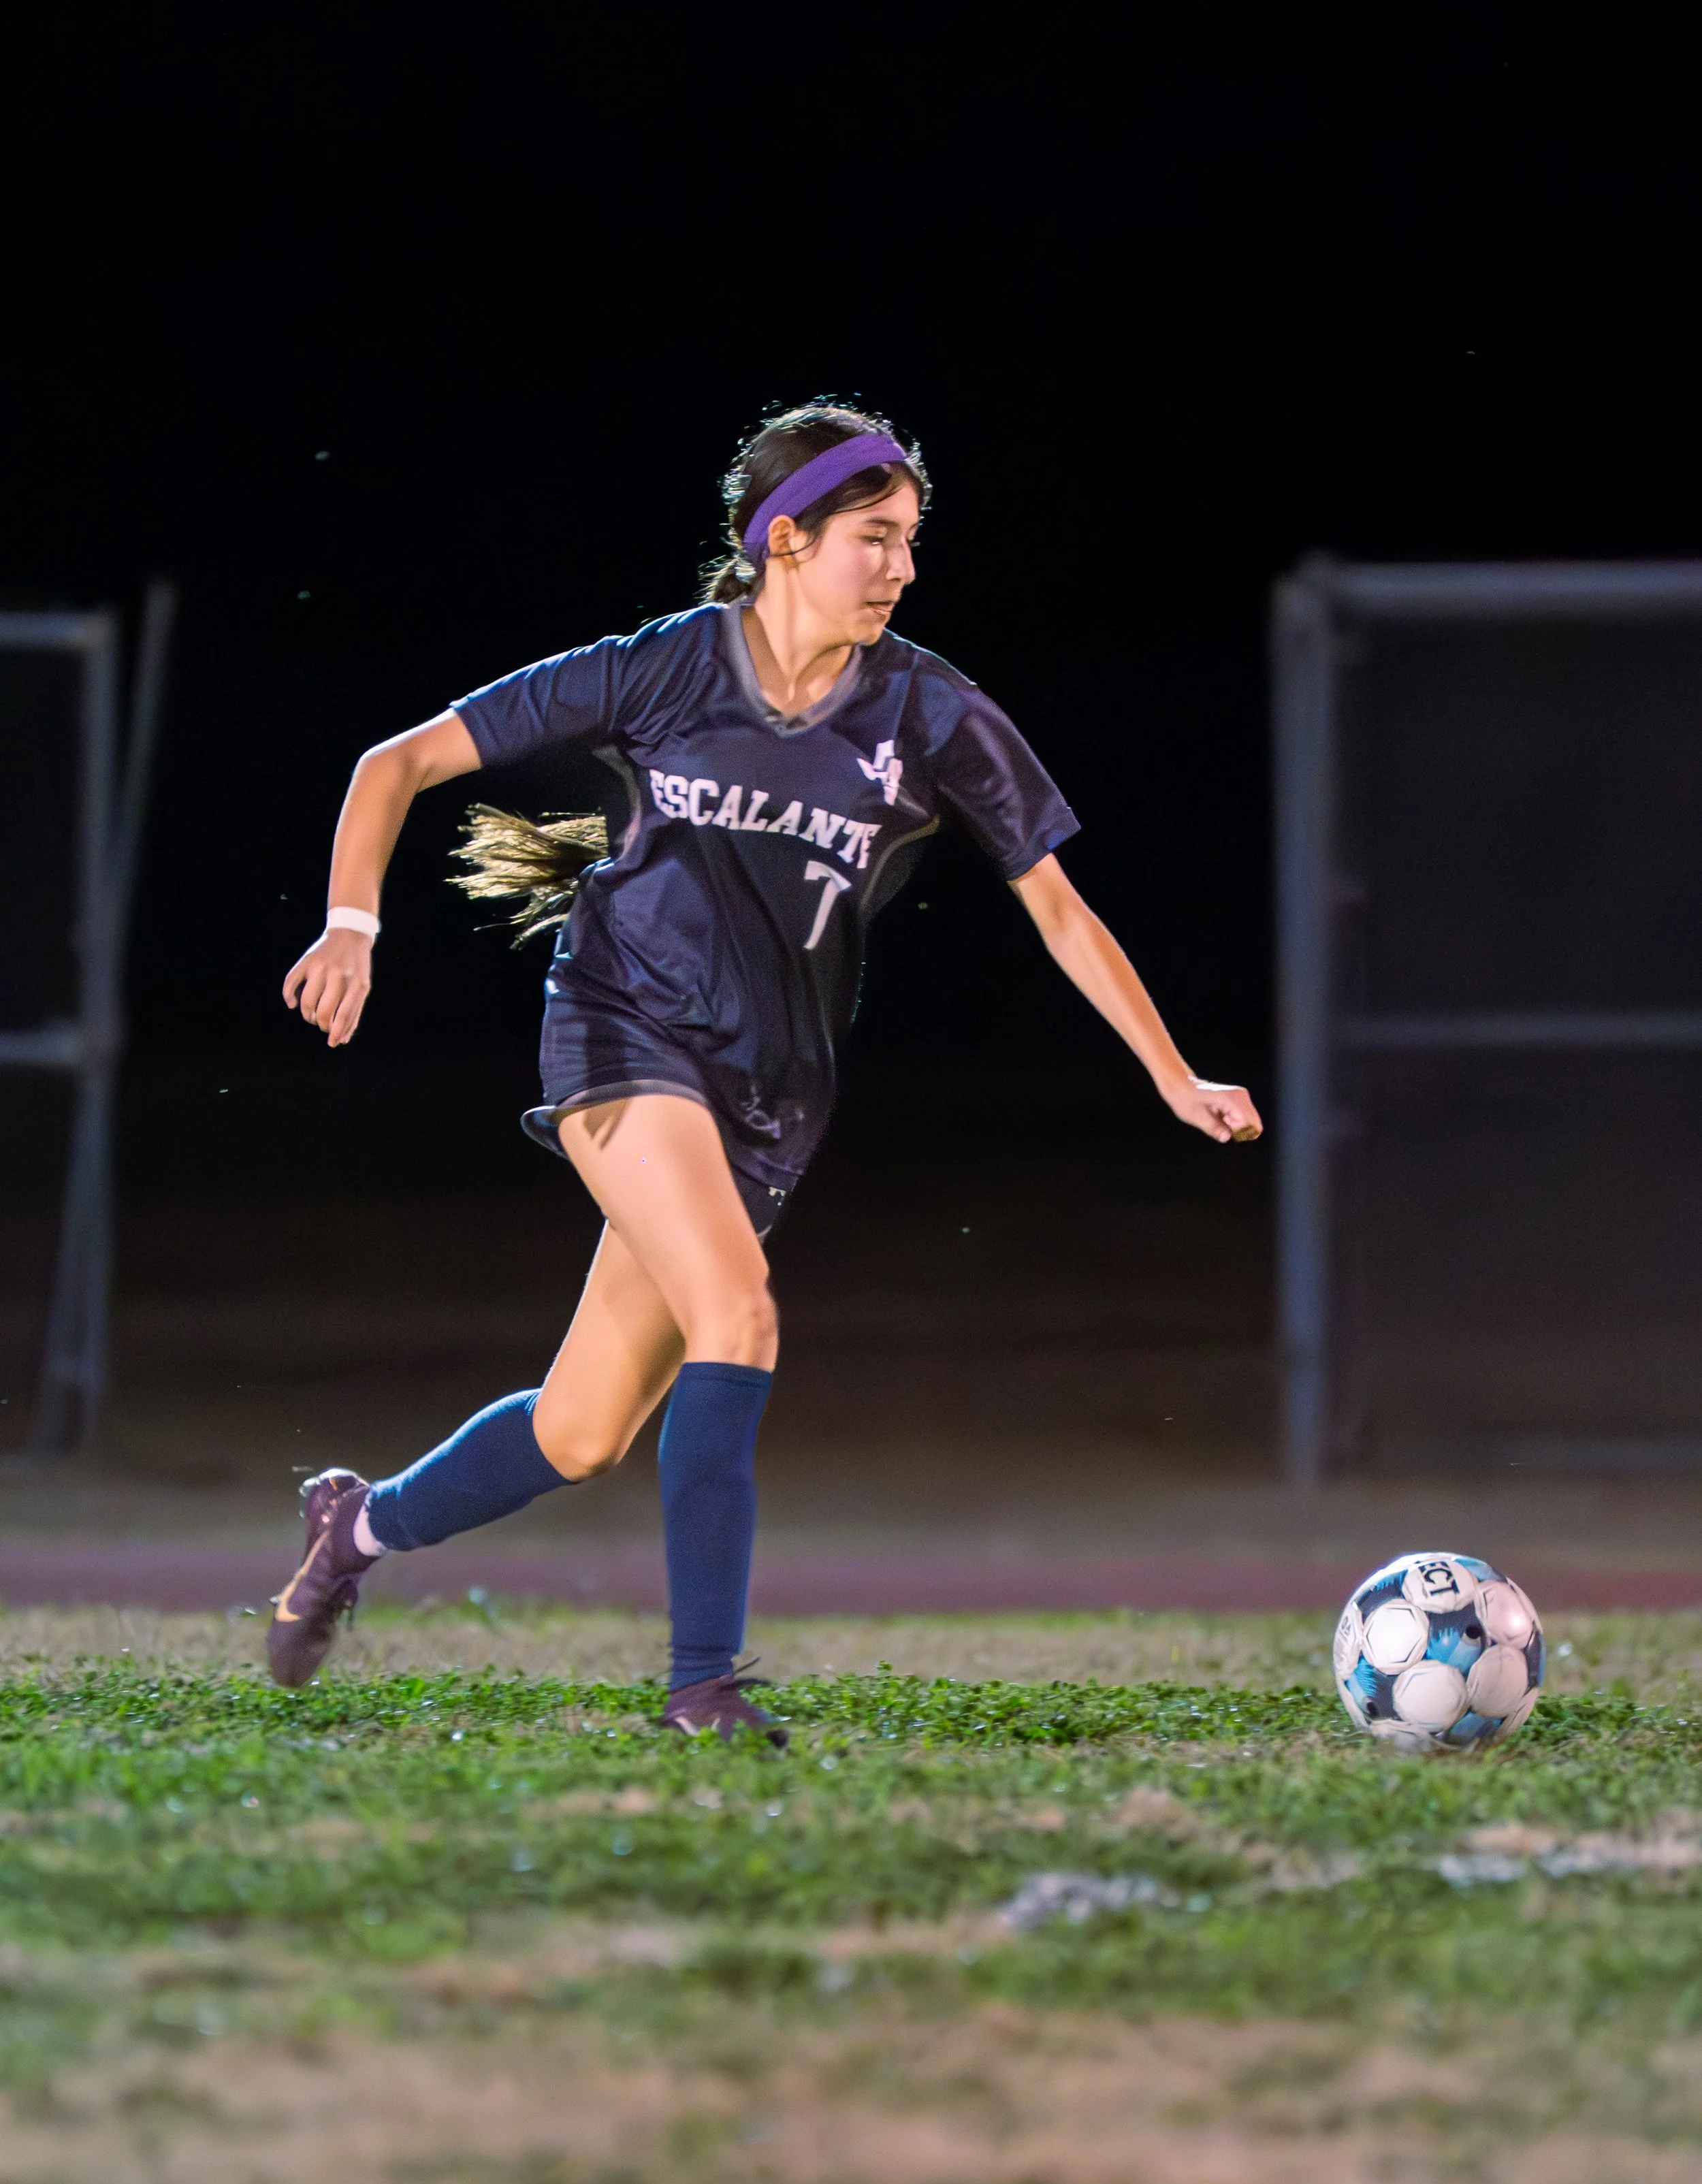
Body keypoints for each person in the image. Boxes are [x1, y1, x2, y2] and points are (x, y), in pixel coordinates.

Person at [272, 403, 1262, 1737]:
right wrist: (351, 925)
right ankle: (703, 1684)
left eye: (910, 540)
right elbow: (393, 765)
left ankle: (356, 1527)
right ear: (783, 539)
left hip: (771, 1092)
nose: (902, 567)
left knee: (580, 1433)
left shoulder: (930, 709)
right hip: (621, 1029)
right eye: (875, 538)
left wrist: (1171, 1072)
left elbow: (1060, 911)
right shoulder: (663, 667)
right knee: (738, 1316)